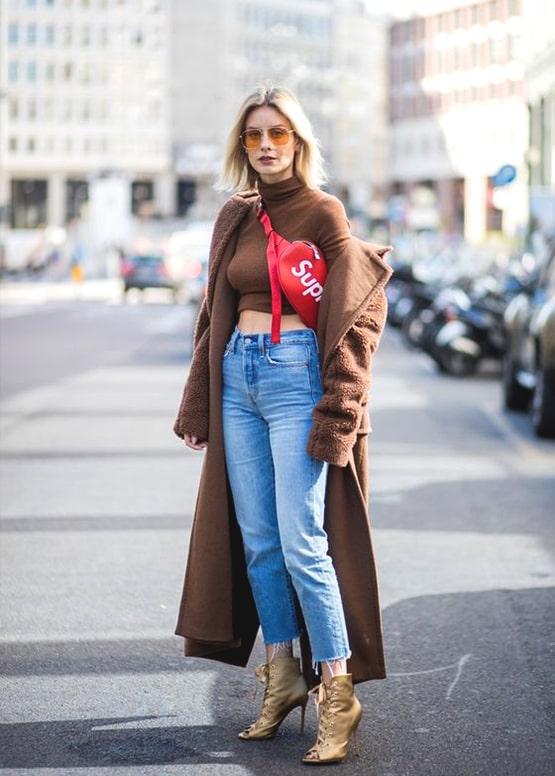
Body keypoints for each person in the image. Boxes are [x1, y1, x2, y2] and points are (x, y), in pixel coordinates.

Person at [173, 84, 392, 765]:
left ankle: (336, 689)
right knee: (259, 541)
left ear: (297, 141)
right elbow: (213, 316)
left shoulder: (322, 212)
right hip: (238, 374)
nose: (265, 145)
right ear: (243, 145)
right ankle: (282, 672)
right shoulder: (233, 216)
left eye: (279, 134)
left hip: (296, 375)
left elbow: (359, 315)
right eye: (253, 135)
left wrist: (341, 410)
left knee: (303, 540)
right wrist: (198, 402)